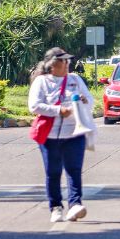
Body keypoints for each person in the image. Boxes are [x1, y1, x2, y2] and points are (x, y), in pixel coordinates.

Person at [29, 47, 96, 223]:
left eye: (68, 61)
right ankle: (56, 207)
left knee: (74, 171)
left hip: (74, 133)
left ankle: (75, 204)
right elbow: (34, 106)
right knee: (53, 172)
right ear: (52, 65)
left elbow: (90, 101)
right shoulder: (41, 82)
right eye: (63, 61)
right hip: (50, 137)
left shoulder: (75, 80)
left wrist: (84, 101)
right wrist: (59, 110)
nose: (67, 64)